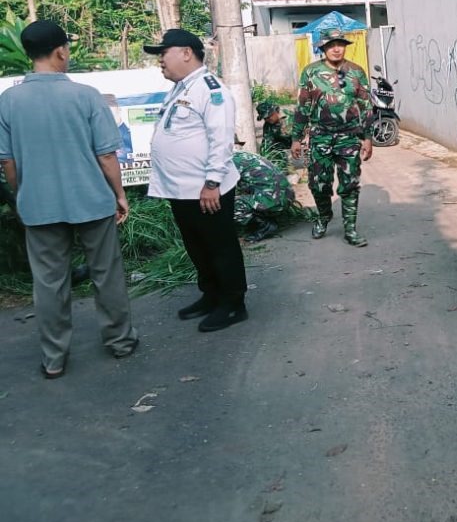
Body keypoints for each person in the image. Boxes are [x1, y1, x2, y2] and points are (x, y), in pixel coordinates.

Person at [0, 19, 138, 377]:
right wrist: (119, 195)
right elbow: (107, 155)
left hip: (38, 206)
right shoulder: (86, 96)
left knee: (48, 282)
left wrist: (22, 197)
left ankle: (54, 358)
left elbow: (8, 161)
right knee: (106, 274)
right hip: (92, 201)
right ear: (61, 51)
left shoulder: (9, 101)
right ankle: (120, 341)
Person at [145, 28, 248, 333]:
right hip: (182, 190)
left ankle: (233, 304)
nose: (160, 61)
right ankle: (211, 294)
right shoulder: (181, 88)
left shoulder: (210, 88)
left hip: (207, 190)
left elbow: (221, 139)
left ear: (186, 52)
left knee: (220, 246)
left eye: (163, 54)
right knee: (197, 247)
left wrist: (213, 183)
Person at [290, 27, 373, 245]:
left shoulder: (356, 72)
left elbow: (366, 107)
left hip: (349, 137)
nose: (337, 49)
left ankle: (350, 229)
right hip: (320, 137)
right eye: (331, 45)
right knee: (319, 184)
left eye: (340, 45)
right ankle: (324, 215)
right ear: (324, 47)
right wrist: (296, 139)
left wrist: (367, 138)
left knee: (350, 183)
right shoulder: (310, 72)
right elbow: (302, 107)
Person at [232, 149, 295, 242]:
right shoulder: (241, 155)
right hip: (286, 196)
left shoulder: (229, 161)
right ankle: (266, 216)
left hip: (274, 199)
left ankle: (265, 226)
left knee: (230, 204)